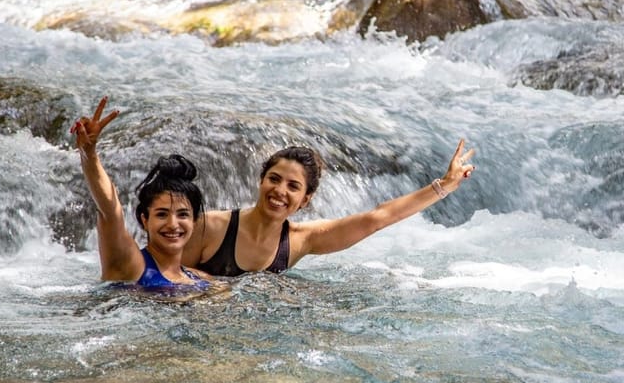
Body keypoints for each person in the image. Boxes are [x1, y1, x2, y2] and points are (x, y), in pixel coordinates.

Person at [182, 140, 476, 276]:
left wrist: (443, 186)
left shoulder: (302, 240)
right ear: (261, 181)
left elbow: (377, 218)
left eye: (293, 186)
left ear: (305, 199)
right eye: (274, 179)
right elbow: (167, 275)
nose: (280, 191)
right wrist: (210, 286)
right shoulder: (210, 227)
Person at [72, 96, 211, 292]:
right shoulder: (132, 266)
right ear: (144, 220)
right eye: (161, 214)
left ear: (194, 221)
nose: (173, 224)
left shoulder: (199, 279)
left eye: (183, 215)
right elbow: (110, 212)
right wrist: (89, 153)